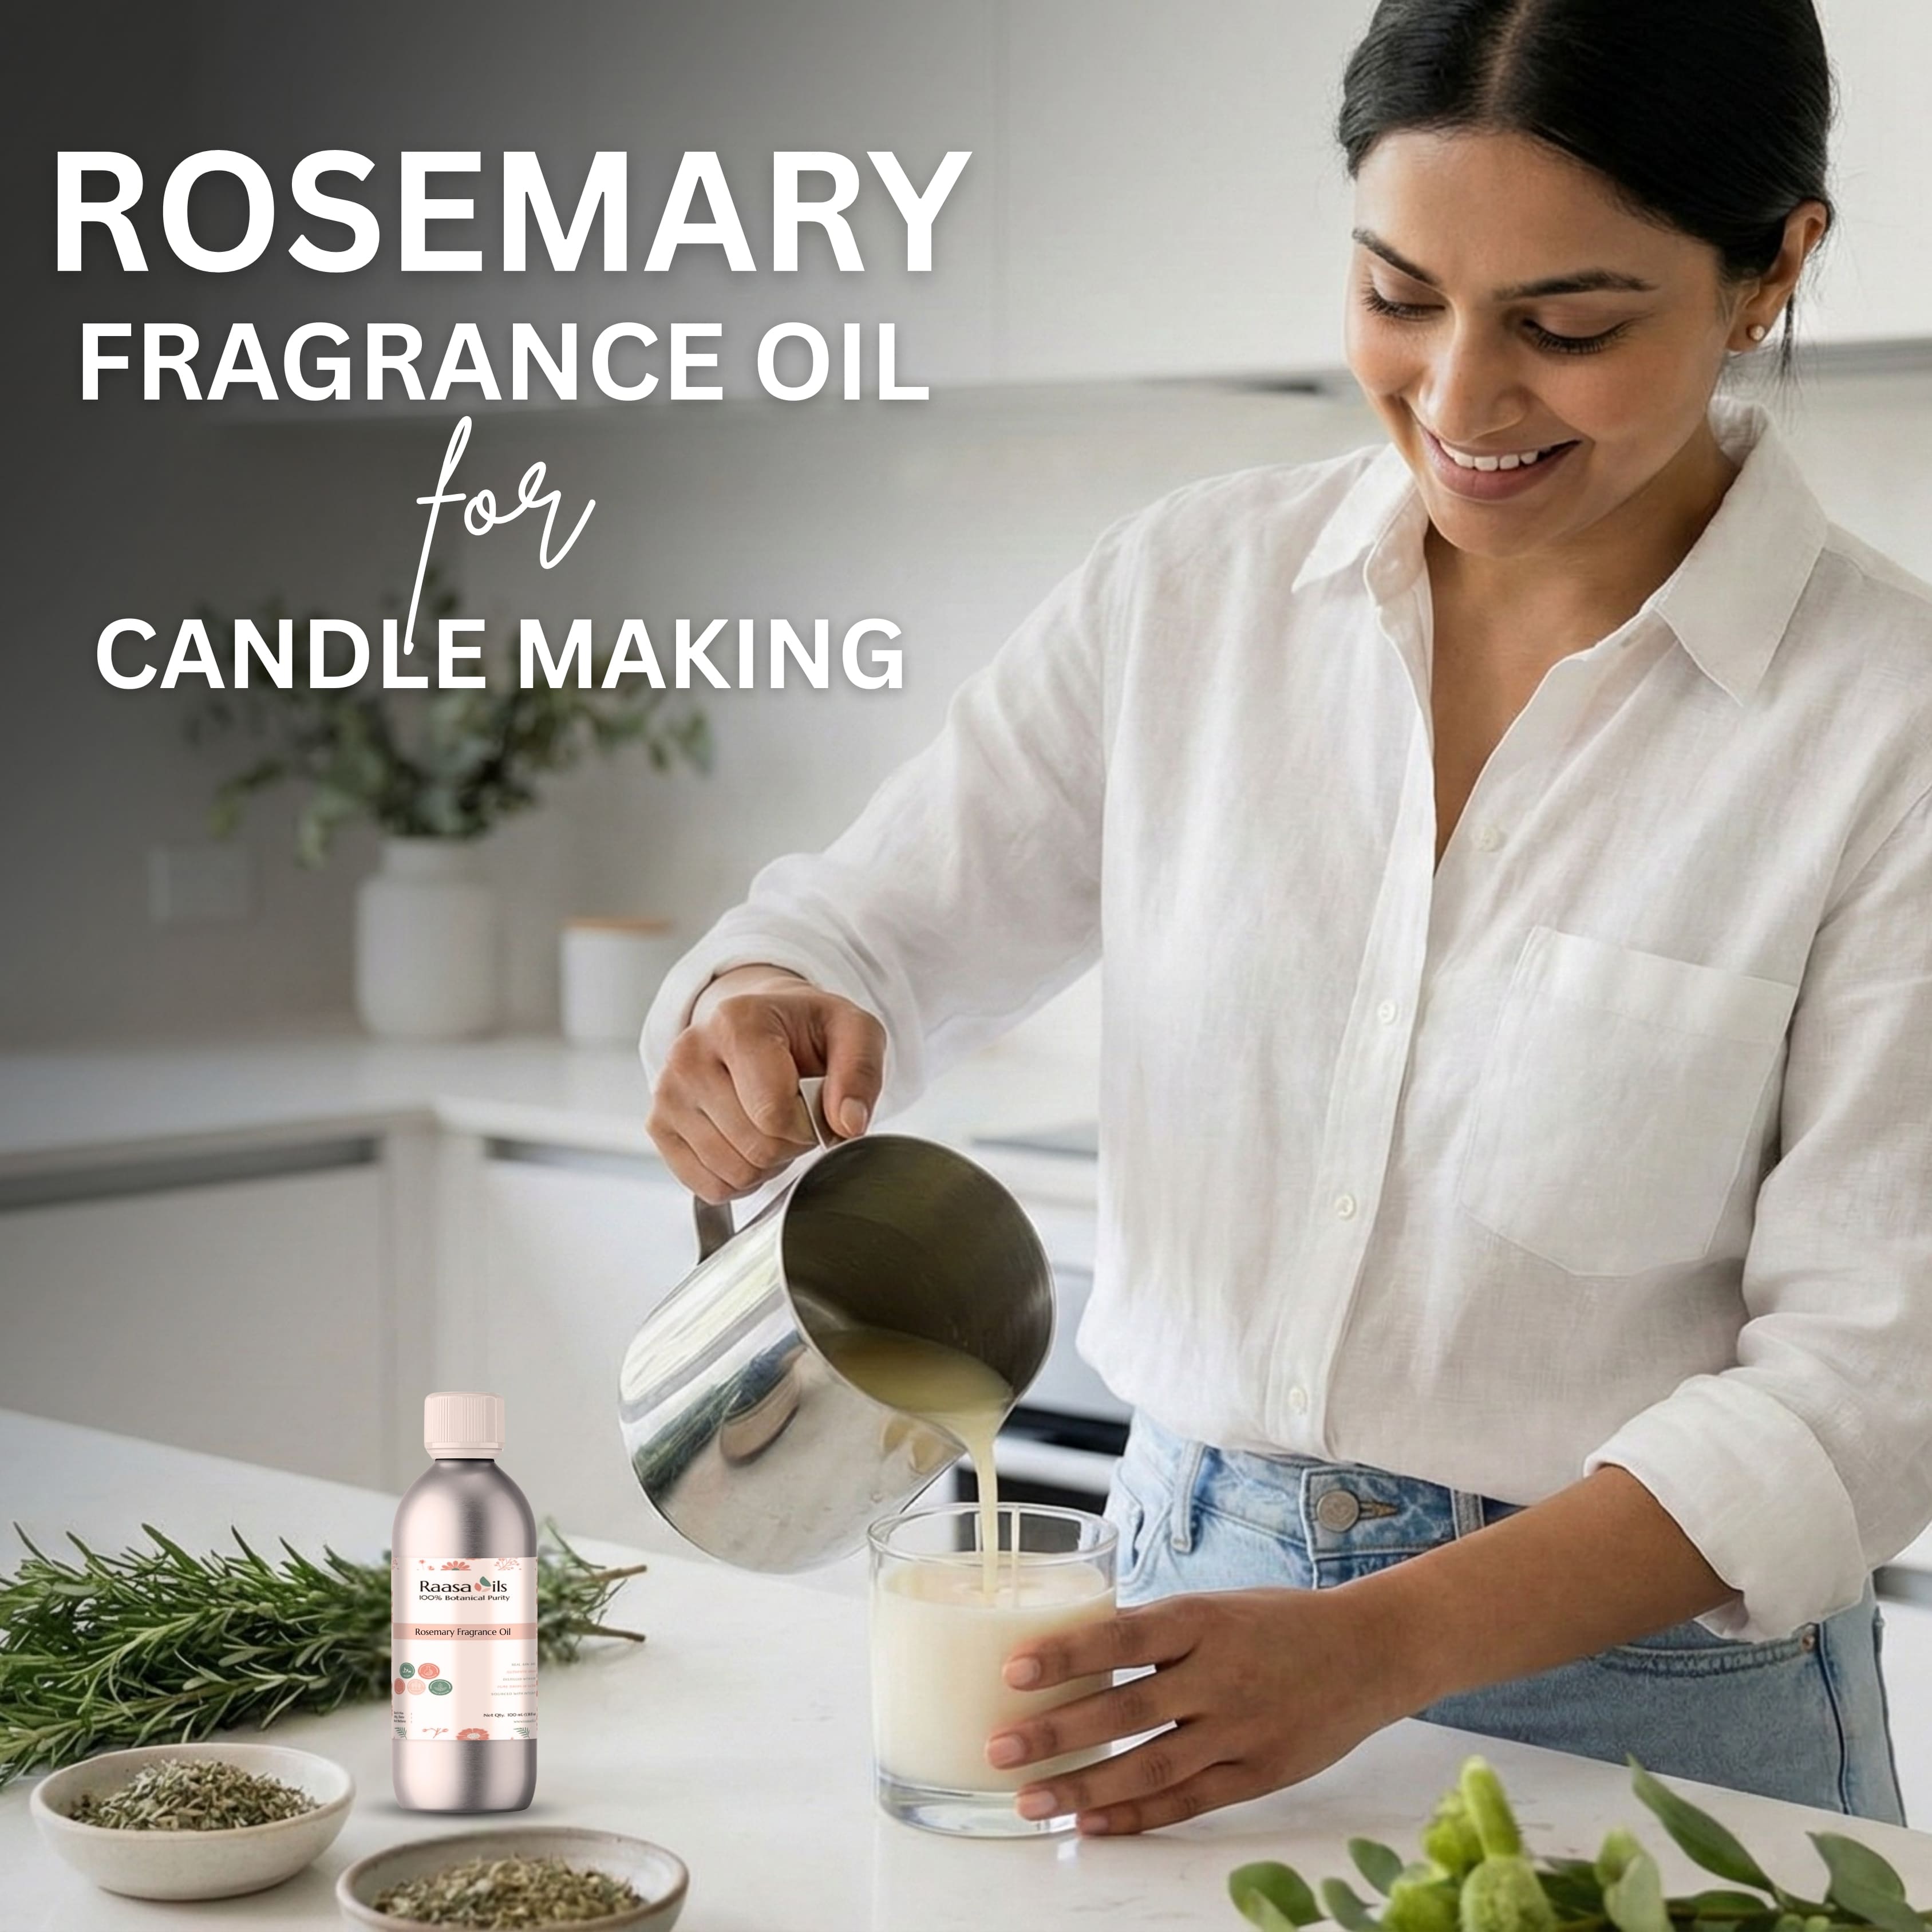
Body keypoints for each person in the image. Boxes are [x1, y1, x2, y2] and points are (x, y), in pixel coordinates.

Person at [643, 0, 1931, 1833]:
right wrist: (767, 1000)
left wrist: (1386, 1645)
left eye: (1567, 328)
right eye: (1400, 294)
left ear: (1770, 270)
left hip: (1655, 1706)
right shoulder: (1192, 594)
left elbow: (1865, 1389)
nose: (1463, 400)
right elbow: (870, 923)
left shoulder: (1892, 724)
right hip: (1163, 1615)